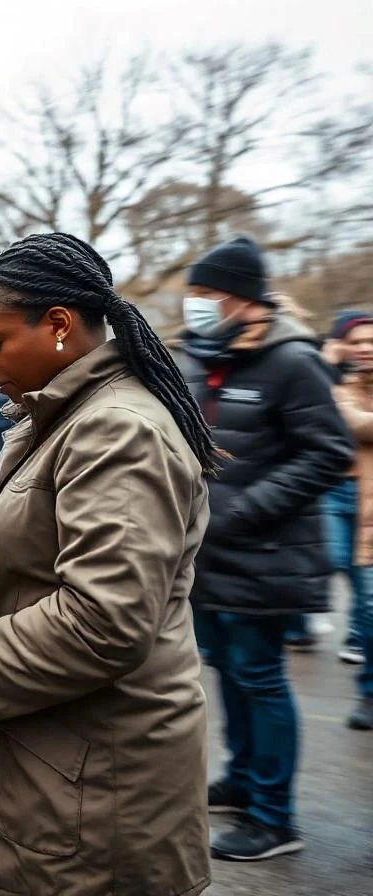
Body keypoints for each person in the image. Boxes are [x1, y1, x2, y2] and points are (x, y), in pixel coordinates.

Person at [0, 232, 213, 896]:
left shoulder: (118, 428)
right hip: (56, 776)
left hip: (102, 800)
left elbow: (103, 621)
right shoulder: (51, 419)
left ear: (59, 325)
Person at [175, 236, 352, 861]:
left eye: (206, 295)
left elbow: (330, 453)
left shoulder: (291, 361)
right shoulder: (200, 358)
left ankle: (275, 818)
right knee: (230, 670)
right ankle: (245, 778)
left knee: (261, 677)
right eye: (193, 294)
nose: (195, 305)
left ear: (242, 300)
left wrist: (243, 511)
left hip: (267, 554)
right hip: (212, 557)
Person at [328, 315, 373, 729]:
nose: (365, 347)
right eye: (356, 341)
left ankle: (368, 693)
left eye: (371, 341)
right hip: (338, 494)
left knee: (368, 599)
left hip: (368, 503)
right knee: (338, 563)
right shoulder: (339, 386)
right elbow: (350, 423)